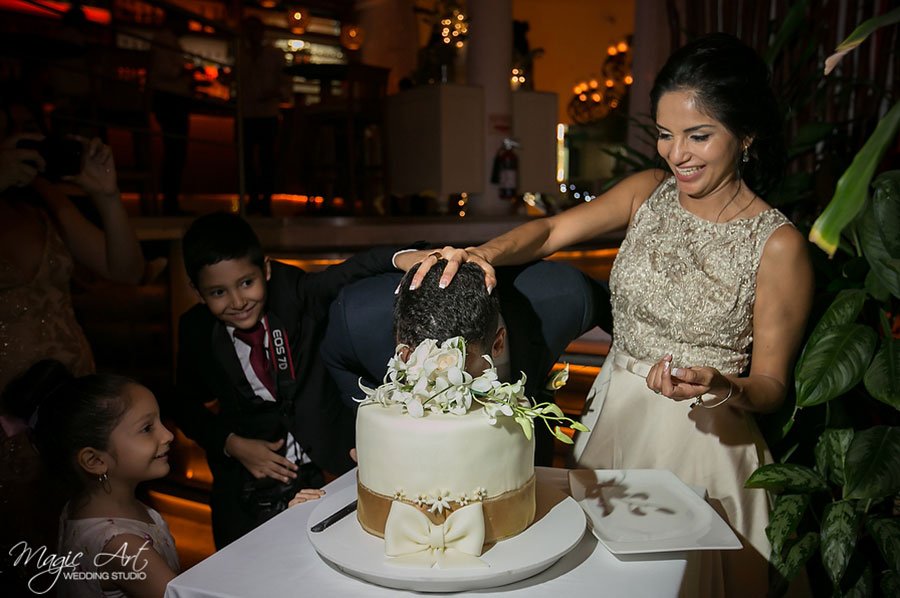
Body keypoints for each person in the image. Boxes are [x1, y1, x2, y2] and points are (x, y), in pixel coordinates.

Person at [410, 33, 814, 597]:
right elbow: (551, 230)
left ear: (745, 136)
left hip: (705, 447)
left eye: (698, 136)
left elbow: (771, 385)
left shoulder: (778, 245)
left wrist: (721, 386)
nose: (677, 154)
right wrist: (483, 254)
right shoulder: (647, 192)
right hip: (612, 423)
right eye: (666, 135)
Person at [171, 212, 429, 548]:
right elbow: (183, 404)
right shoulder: (196, 330)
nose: (237, 301)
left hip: (324, 468)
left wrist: (401, 258)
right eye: (218, 292)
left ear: (265, 270)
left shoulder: (291, 293)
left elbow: (345, 273)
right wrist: (232, 443)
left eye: (246, 283)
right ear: (197, 291)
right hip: (245, 486)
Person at [320, 259, 609, 465]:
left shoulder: (564, 298)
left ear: (498, 343)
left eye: (456, 375)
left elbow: (618, 307)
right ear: (400, 346)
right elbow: (335, 358)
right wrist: (374, 424)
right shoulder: (355, 318)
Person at [0, 93, 146, 393]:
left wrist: (107, 196)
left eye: (28, 128)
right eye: (6, 130)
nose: (19, 140)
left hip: (69, 384)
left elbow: (128, 271)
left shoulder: (46, 199)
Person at [11, 359, 179, 598]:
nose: (168, 435)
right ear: (95, 461)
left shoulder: (82, 504)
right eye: (146, 428)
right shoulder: (125, 549)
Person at [235, 17, 288, 216]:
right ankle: (252, 199)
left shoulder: (274, 55)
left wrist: (273, 94)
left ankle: (265, 202)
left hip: (267, 114)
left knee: (267, 161)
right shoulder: (241, 55)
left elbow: (285, 84)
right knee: (246, 161)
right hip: (246, 114)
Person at [149, 13, 193, 216]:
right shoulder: (164, 41)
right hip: (170, 100)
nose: (188, 27)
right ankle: (170, 202)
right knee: (175, 152)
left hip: (171, 100)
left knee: (175, 152)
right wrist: (187, 72)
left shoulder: (167, 41)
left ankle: (170, 201)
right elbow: (167, 72)